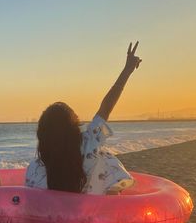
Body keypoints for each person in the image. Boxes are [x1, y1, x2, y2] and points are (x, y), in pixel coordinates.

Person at [25, 42, 142, 194]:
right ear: (74, 126)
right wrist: (127, 71)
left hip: (53, 216)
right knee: (103, 158)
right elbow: (106, 108)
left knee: (102, 156)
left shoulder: (36, 168)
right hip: (90, 213)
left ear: (42, 134)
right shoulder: (89, 146)